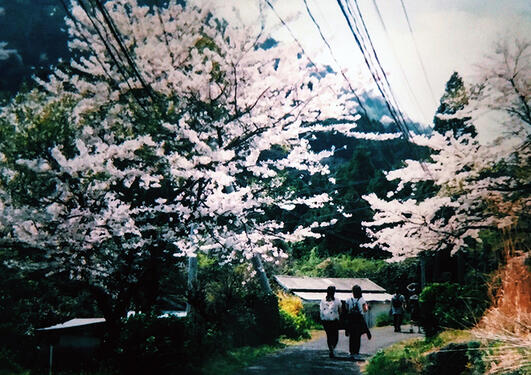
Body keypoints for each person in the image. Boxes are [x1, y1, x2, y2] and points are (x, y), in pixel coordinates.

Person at [346, 285, 371, 360]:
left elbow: (347, 309)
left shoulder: (348, 299)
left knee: (351, 336)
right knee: (357, 336)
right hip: (359, 320)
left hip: (351, 319)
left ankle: (351, 352)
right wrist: (368, 307)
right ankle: (356, 352)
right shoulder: (362, 300)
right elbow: (365, 310)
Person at [319, 285, 342, 358]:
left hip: (334, 321)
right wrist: (322, 319)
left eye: (333, 291)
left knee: (335, 336)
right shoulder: (323, 301)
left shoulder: (337, 300)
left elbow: (340, 310)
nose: (332, 293)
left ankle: (332, 348)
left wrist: (339, 318)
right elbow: (321, 311)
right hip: (326, 321)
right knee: (329, 335)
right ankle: (331, 349)